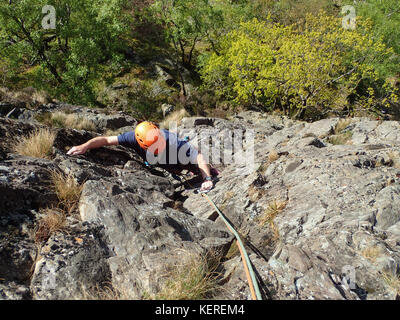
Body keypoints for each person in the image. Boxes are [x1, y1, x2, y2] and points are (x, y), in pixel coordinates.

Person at [67, 121, 218, 192]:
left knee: (192, 165)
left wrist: (207, 178)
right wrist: (84, 146)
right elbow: (106, 140)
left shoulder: (171, 140)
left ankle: (202, 171)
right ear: (141, 143)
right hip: (160, 163)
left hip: (176, 158)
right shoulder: (131, 138)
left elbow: (198, 155)